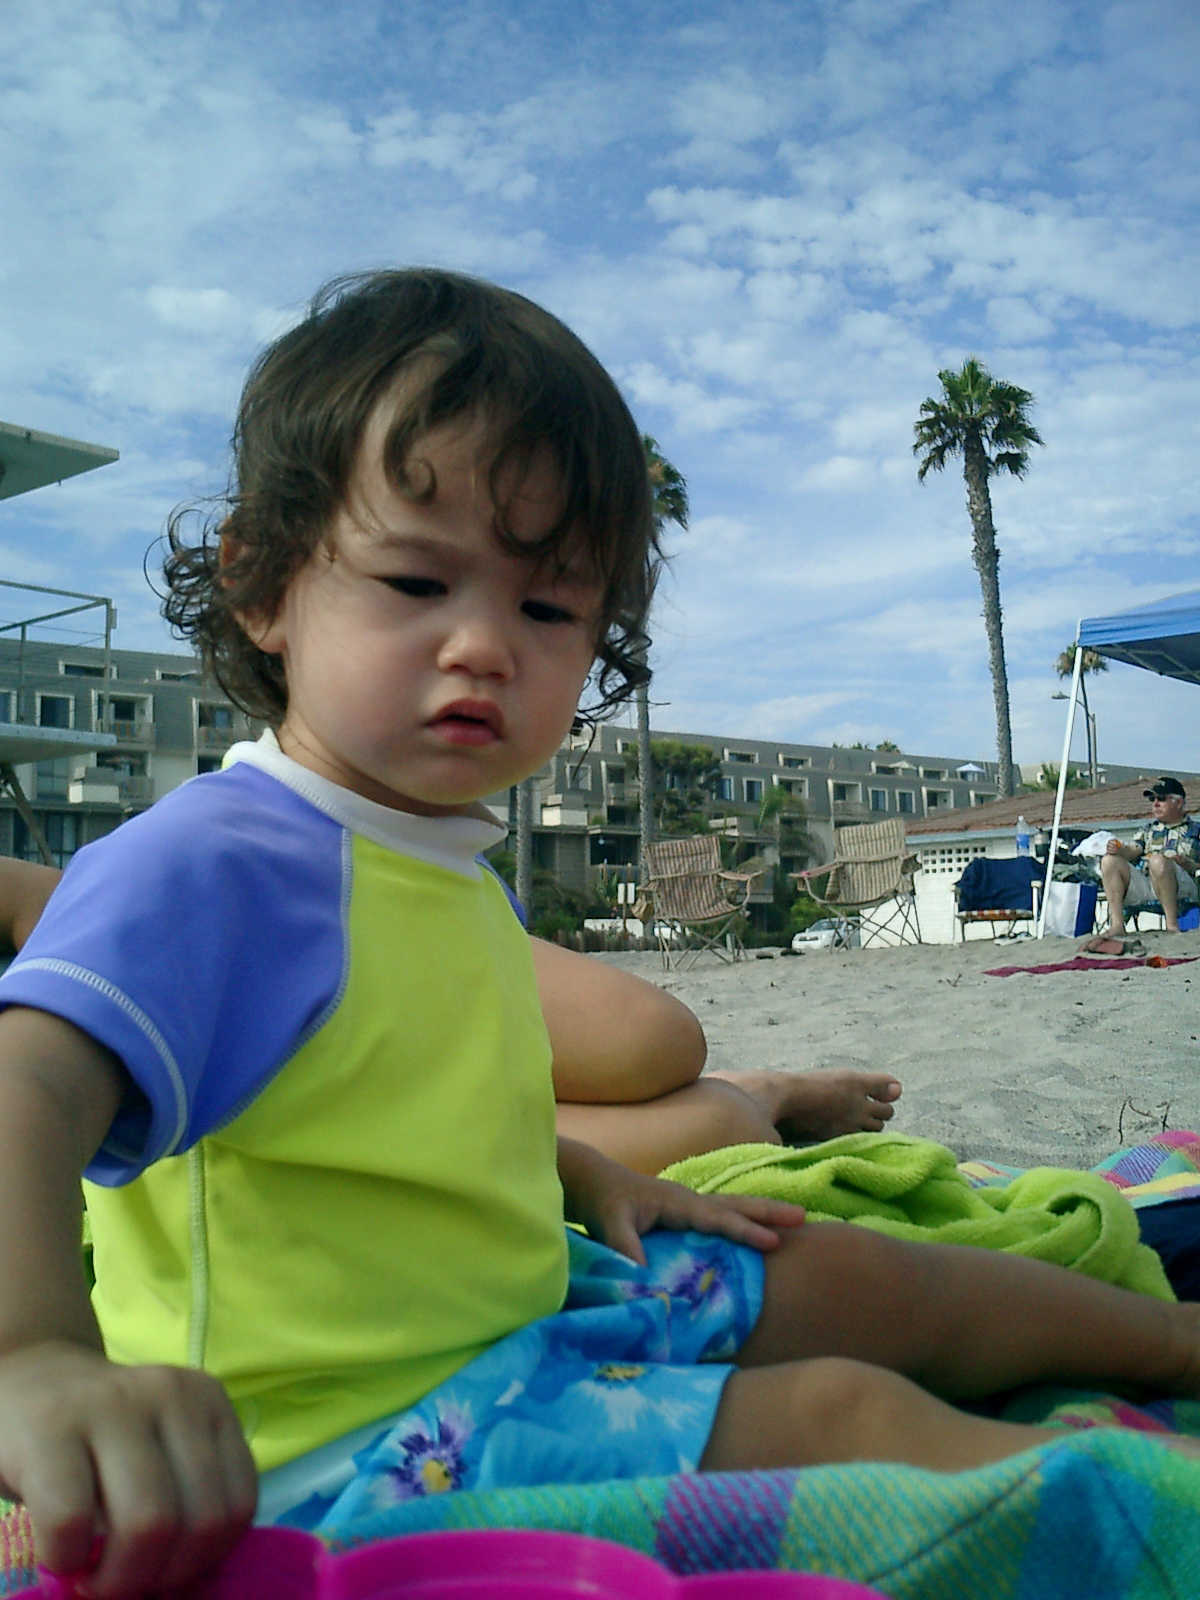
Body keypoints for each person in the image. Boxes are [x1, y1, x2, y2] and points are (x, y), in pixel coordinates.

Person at [0, 269, 1196, 1599]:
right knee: (845, 1414)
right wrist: (32, 1355)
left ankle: (1175, 1344)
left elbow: (383, 1124)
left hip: (514, 1320)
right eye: (415, 578)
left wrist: (575, 1172)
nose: (483, 646)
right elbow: (27, 1085)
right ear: (262, 583)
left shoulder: (436, 858)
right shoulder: (218, 859)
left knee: (864, 1277)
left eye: (547, 607)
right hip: (349, 1449)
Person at [0, 858, 902, 1175]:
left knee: (659, 1040)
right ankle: (765, 1091)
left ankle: (753, 1093)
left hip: (348, 923)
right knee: (719, 1122)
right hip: (348, 1121)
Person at [1098, 776, 1200, 937]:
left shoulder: (1196, 830)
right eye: (1153, 799)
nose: (1155, 804)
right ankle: (1117, 925)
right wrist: (1119, 849)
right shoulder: (1148, 830)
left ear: (1179, 802)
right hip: (1150, 883)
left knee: (1158, 860)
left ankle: (1172, 925)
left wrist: (1189, 864)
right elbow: (1133, 850)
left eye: (1161, 799)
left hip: (1183, 886)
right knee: (1109, 861)